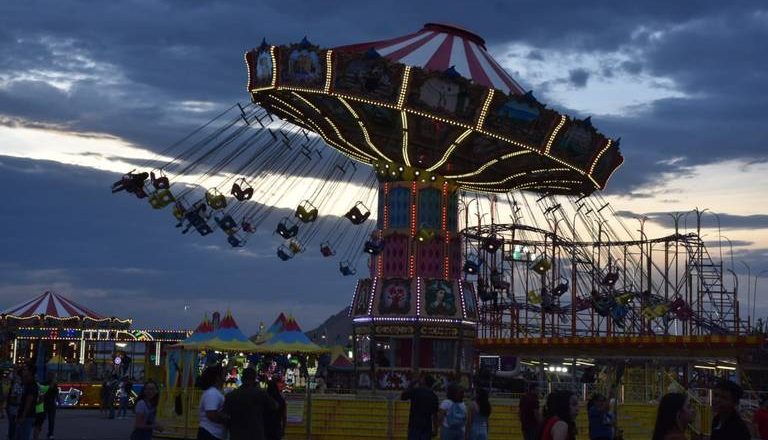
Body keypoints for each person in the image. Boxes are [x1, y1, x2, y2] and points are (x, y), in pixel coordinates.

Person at [223, 368, 276, 440]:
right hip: (256, 434)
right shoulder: (261, 394)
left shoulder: (231, 395)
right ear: (254, 379)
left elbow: (224, 415)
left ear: (242, 379)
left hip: (237, 434)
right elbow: (274, 406)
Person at [400, 375, 439, 440]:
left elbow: (403, 396)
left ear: (424, 382)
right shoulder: (434, 396)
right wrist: (435, 429)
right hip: (427, 426)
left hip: (414, 425)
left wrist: (411, 384)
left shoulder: (416, 391)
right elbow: (435, 415)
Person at [198, 365, 227, 440]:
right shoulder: (212, 393)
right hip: (210, 433)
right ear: (218, 378)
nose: (225, 379)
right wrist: (226, 419)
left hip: (214, 434)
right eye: (223, 375)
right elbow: (211, 414)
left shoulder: (215, 392)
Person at [16, 364, 39, 440]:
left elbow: (29, 402)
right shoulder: (26, 383)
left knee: (23, 436)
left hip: (27, 416)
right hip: (25, 415)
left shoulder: (32, 385)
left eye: (25, 370)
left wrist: (23, 415)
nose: (23, 371)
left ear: (30, 372)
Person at [6, 369, 23, 440]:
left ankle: (11, 436)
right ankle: (11, 436)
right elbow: (13, 398)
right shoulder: (17, 384)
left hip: (11, 407)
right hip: (13, 408)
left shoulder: (16, 383)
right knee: (13, 425)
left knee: (12, 425)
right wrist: (20, 403)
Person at [43, 374, 59, 440]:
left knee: (51, 420)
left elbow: (56, 394)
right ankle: (50, 434)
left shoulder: (54, 385)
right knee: (48, 419)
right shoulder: (47, 384)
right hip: (48, 403)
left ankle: (50, 433)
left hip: (50, 404)